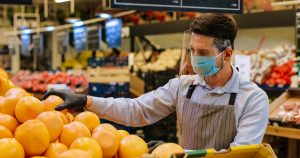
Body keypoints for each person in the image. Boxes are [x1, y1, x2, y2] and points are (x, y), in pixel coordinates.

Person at [44, 13, 269, 151]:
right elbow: (137, 109)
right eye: (192, 50)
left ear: (227, 54)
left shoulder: (253, 99)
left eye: (203, 52)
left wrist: (178, 153)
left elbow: (240, 154)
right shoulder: (183, 87)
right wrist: (87, 100)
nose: (194, 58)